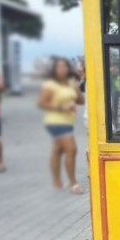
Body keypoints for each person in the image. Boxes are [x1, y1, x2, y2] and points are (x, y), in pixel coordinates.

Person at [37, 58, 85, 194]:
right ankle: (73, 183)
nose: (62, 69)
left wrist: (77, 89)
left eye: (65, 66)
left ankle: (57, 181)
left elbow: (81, 101)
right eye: (59, 67)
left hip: (68, 122)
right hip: (55, 121)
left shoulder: (70, 84)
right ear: (54, 69)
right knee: (72, 149)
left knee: (57, 150)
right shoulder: (50, 85)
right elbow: (41, 103)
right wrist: (62, 107)